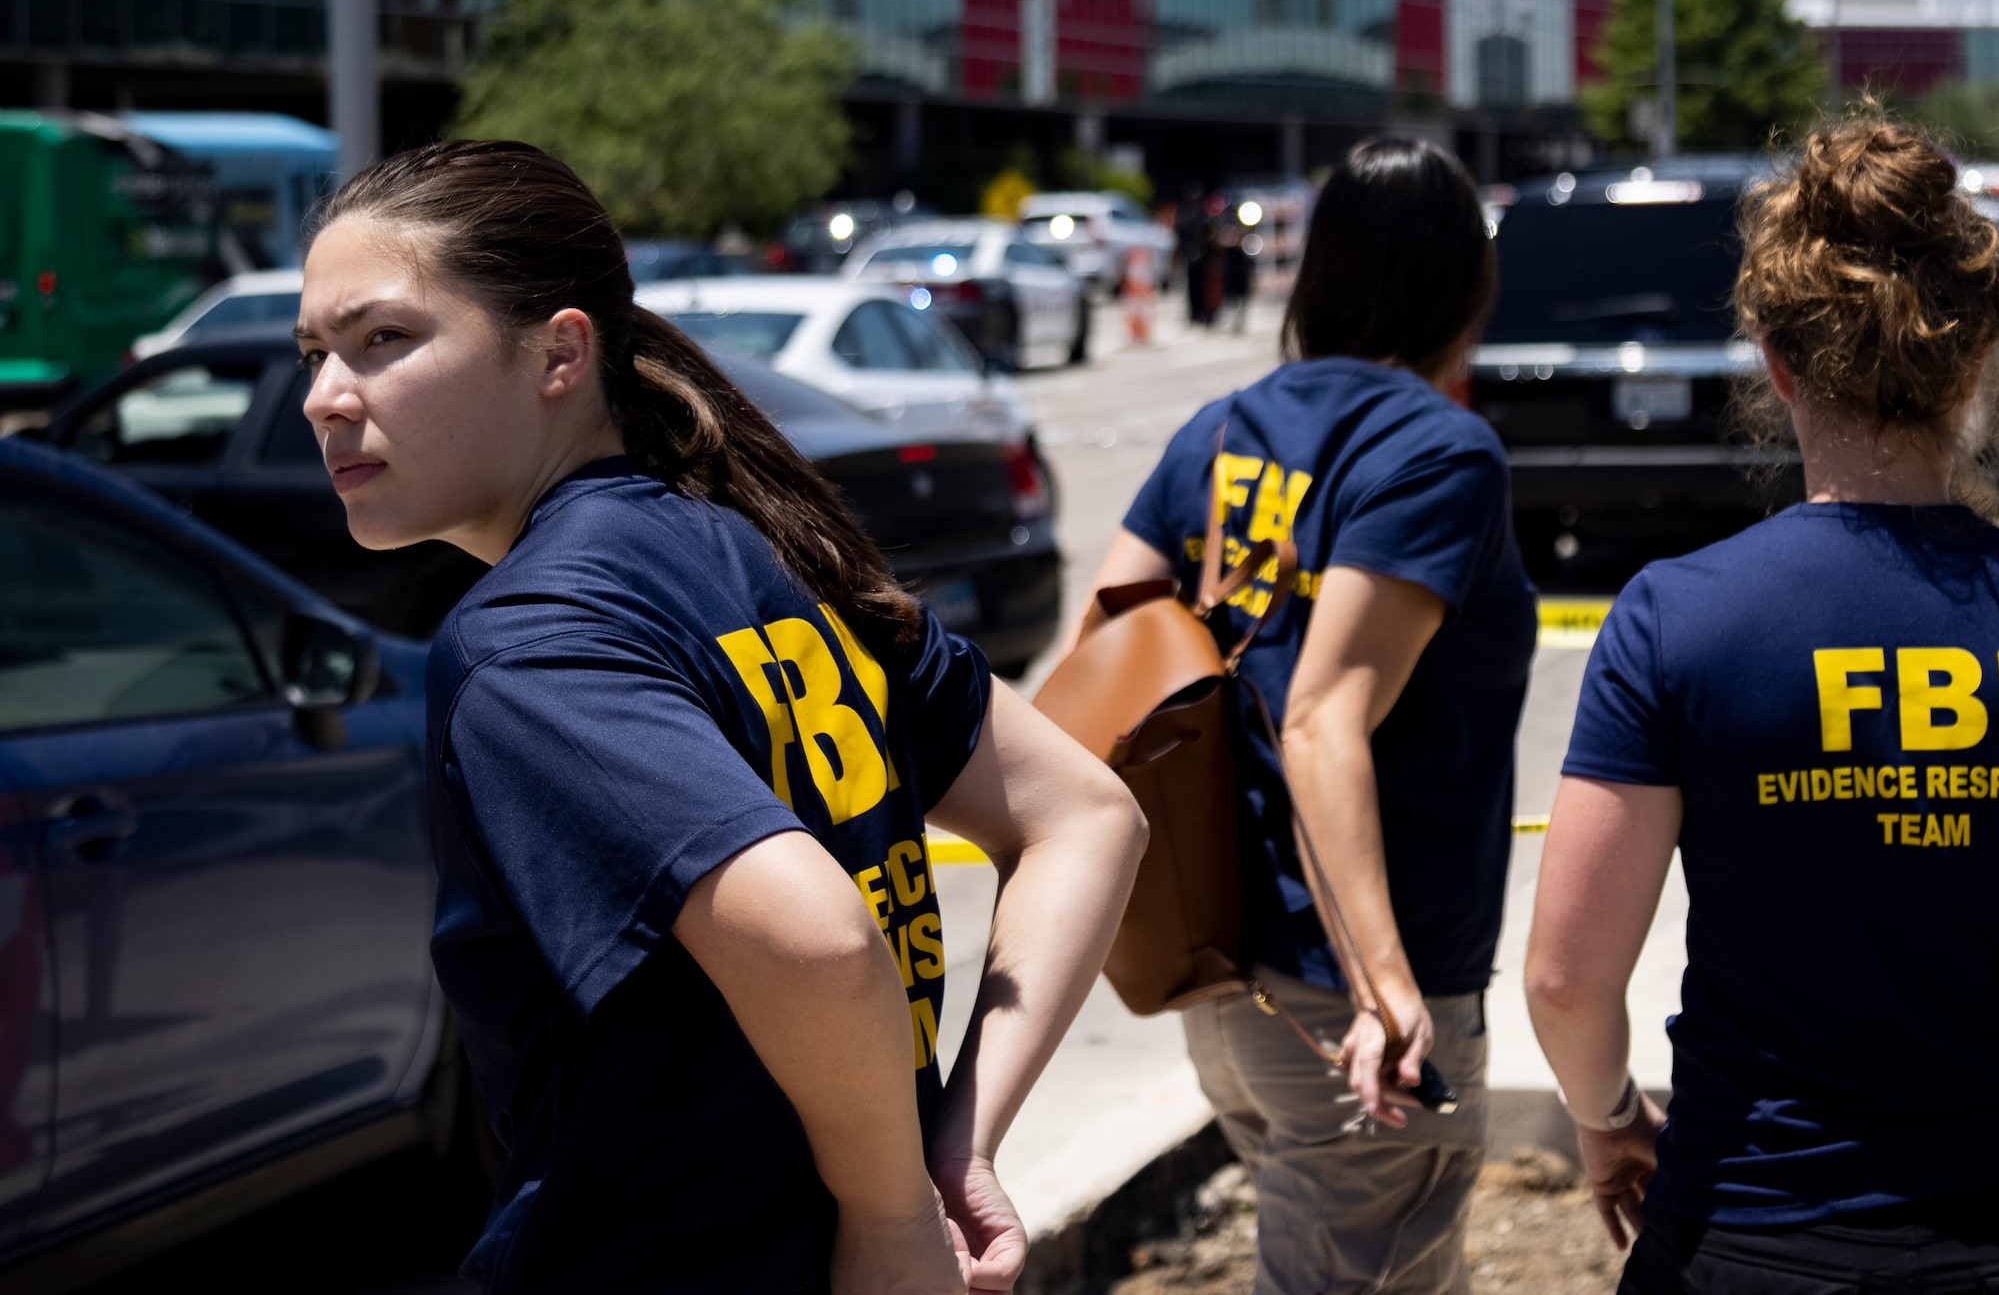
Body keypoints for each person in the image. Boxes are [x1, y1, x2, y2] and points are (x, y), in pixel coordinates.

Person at [294, 140, 1145, 1294]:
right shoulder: (758, 547)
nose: (326, 397)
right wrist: (951, 1149)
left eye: (383, 340)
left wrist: (894, 1218)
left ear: (558, 351)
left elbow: (817, 941)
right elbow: (1086, 817)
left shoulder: (529, 643)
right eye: (317, 353)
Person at [1524, 115, 1999, 1295]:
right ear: (1978, 361)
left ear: (1775, 364)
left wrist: (1608, 1113)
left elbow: (1567, 978)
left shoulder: (1677, 621)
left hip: (1741, 1242)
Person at [1076, 136, 1537, 1293]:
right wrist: (1384, 991)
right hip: (1364, 1011)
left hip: (1228, 979)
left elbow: (1102, 649)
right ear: (1462, 286)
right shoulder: (1439, 453)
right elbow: (1322, 718)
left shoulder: (1218, 431)